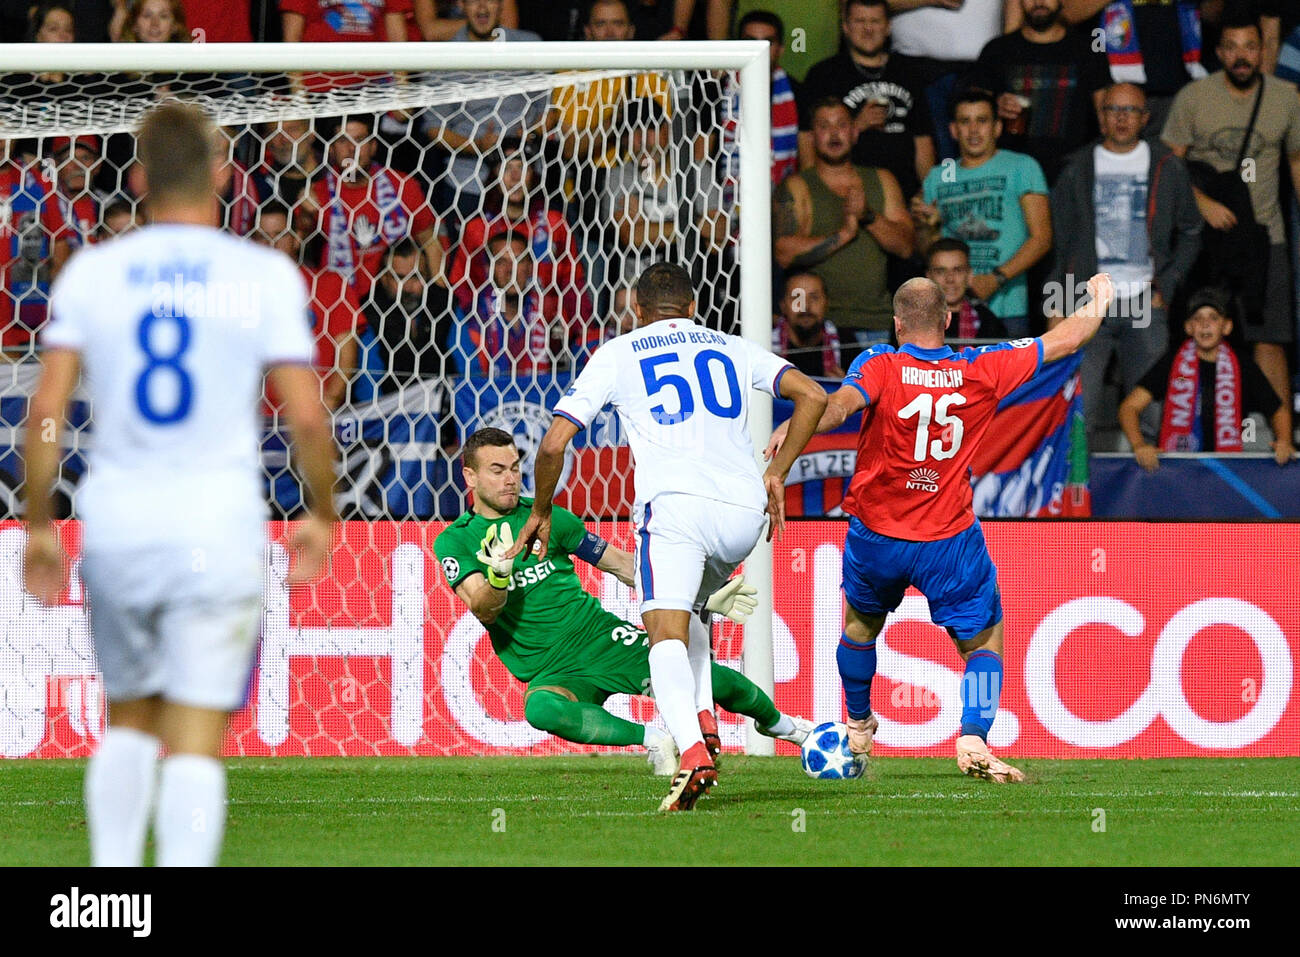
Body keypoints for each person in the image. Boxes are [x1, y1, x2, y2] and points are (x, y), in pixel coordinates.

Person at [23, 102, 338, 866]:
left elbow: (45, 411)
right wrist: (320, 512)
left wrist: (38, 521)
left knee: (128, 717)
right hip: (218, 529)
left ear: (138, 178)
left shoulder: (95, 272)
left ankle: (114, 891)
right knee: (197, 733)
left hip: (122, 526)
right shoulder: (261, 274)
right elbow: (306, 415)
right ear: (223, 176)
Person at [766, 272, 1118, 782]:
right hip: (947, 539)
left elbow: (837, 407)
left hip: (877, 535)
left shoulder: (878, 364)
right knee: (983, 643)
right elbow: (1067, 338)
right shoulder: (983, 366)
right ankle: (974, 734)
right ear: (949, 320)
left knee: (860, 628)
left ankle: (859, 724)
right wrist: (1101, 297)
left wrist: (791, 426)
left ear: (896, 324)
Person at [508, 262, 829, 812]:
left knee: (664, 631)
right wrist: (777, 472)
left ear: (636, 309)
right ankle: (702, 719)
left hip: (676, 509)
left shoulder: (619, 352)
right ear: (694, 304)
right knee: (695, 612)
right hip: (744, 513)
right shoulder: (732, 345)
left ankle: (689, 751)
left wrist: (539, 509)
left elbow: (554, 443)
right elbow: (815, 396)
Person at [436, 428, 813, 773]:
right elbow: (484, 607)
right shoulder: (455, 541)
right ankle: (654, 741)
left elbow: (624, 567)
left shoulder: (549, 518)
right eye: (497, 470)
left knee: (706, 679)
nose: (511, 479)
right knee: (541, 710)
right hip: (551, 672)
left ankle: (792, 730)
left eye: (515, 468)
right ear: (470, 476)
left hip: (601, 641)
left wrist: (702, 595)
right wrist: (500, 572)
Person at [1161, 10, 1300, 421]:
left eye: (1250, 47)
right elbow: (1168, 167)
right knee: (1202, 338)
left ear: (1263, 51)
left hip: (1264, 236)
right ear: (1219, 52)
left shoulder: (1285, 98)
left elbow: (1295, 162)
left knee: (1271, 338)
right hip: (1207, 239)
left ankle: (1281, 440)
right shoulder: (1194, 98)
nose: (1241, 56)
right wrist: (1201, 202)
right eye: (1232, 47)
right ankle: (1195, 432)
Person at [1050, 82, 1201, 450]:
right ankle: (1077, 499)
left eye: (1131, 110)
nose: (1122, 118)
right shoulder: (1075, 167)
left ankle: (1154, 502)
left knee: (1152, 413)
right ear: (1101, 117)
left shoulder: (1167, 164)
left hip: (1144, 301)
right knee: (1078, 411)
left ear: (1145, 118)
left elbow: (1192, 229)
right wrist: (1055, 304)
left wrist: (1168, 284)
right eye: (1113, 109)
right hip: (1086, 302)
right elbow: (1060, 244)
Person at [774, 97, 914, 358]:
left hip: (877, 324)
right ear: (812, 136)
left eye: (841, 125)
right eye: (824, 126)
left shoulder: (881, 180)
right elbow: (783, 254)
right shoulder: (797, 187)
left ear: (854, 131)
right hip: (820, 329)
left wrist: (868, 216)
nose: (834, 133)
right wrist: (844, 234)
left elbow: (906, 246)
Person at [913, 89, 1052, 336]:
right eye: (965, 121)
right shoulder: (941, 174)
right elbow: (928, 252)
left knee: (1010, 375)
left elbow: (1042, 238)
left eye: (982, 120)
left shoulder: (1022, 166)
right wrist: (927, 227)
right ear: (953, 130)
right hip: (950, 311)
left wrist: (996, 278)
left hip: (1007, 307)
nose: (974, 130)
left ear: (998, 127)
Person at [1118, 289, 1293, 467]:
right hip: (1177, 470)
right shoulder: (1172, 361)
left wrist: (1285, 441)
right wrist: (1139, 445)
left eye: (1213, 318)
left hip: (1228, 472)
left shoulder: (1242, 364)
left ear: (1227, 327)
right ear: (1188, 327)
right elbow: (1129, 407)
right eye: (1198, 318)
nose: (1205, 324)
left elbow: (1278, 411)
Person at [798, 0, 935, 202]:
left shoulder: (908, 72)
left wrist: (929, 195)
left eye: (875, 21)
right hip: (841, 197)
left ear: (888, 27)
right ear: (846, 27)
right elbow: (807, 138)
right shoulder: (824, 74)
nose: (868, 29)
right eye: (860, 21)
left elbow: (923, 141)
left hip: (903, 195)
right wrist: (855, 126)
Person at [970, 0, 1112, 185]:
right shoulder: (997, 50)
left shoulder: (1087, 50)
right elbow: (970, 110)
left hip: (1072, 174)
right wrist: (995, 105)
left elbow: (1106, 116)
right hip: (1010, 174)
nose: (1038, 2)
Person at [925, 238, 1009, 340]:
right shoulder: (915, 320)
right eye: (940, 271)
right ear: (928, 278)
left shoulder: (987, 321)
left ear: (969, 276)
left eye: (958, 270)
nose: (950, 279)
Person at [773, 271, 844, 378]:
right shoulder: (764, 345)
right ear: (783, 305)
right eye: (797, 298)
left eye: (814, 297)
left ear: (826, 303)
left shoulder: (846, 342)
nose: (805, 306)